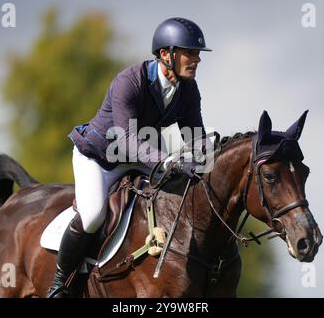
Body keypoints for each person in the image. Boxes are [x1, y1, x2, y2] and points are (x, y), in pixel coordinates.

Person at [46, 17, 212, 298]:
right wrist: (165, 160)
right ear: (165, 54)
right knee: (93, 215)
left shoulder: (188, 90)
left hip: (138, 160)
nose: (196, 59)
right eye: (189, 52)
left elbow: (195, 136)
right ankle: (59, 283)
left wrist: (207, 162)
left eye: (197, 54)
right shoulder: (129, 82)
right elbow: (126, 138)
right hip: (99, 158)